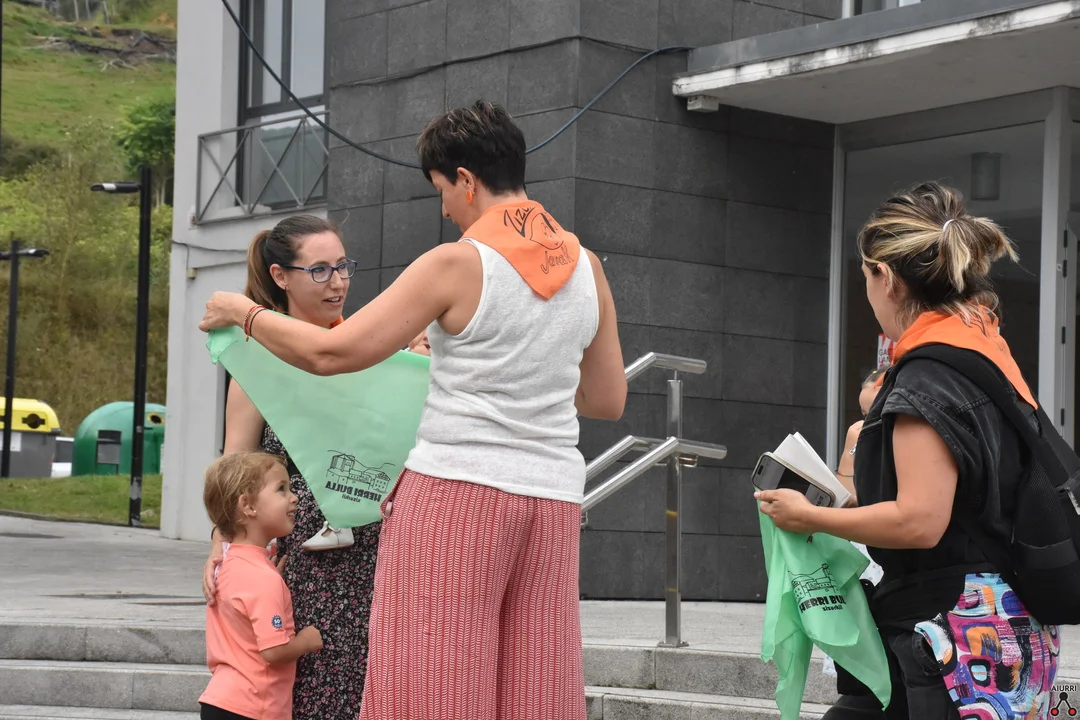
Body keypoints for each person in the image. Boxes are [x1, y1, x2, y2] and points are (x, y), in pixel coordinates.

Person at [199, 100, 628, 720]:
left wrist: (244, 312)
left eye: (441, 190)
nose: (445, 209)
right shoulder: (586, 267)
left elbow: (331, 353)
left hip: (456, 494)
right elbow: (606, 400)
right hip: (554, 497)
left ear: (466, 180)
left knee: (433, 687)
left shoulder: (455, 262)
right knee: (536, 690)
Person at [757, 181, 1059, 719]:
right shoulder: (985, 355)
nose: (867, 292)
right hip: (995, 625)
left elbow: (920, 521)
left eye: (865, 277)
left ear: (887, 278)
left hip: (951, 639)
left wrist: (812, 517)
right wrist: (849, 506)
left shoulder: (927, 378)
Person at [202, 215, 379, 720]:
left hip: (376, 545)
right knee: (311, 687)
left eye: (343, 266)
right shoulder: (258, 364)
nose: (338, 282)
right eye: (320, 270)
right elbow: (235, 467)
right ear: (280, 276)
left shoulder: (367, 347)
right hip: (303, 552)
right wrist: (221, 544)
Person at [199, 451, 323, 720]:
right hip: (253, 707)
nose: (294, 497)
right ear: (248, 506)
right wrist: (306, 641)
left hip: (220, 700)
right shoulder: (262, 578)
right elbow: (274, 651)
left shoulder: (228, 563)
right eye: (281, 489)